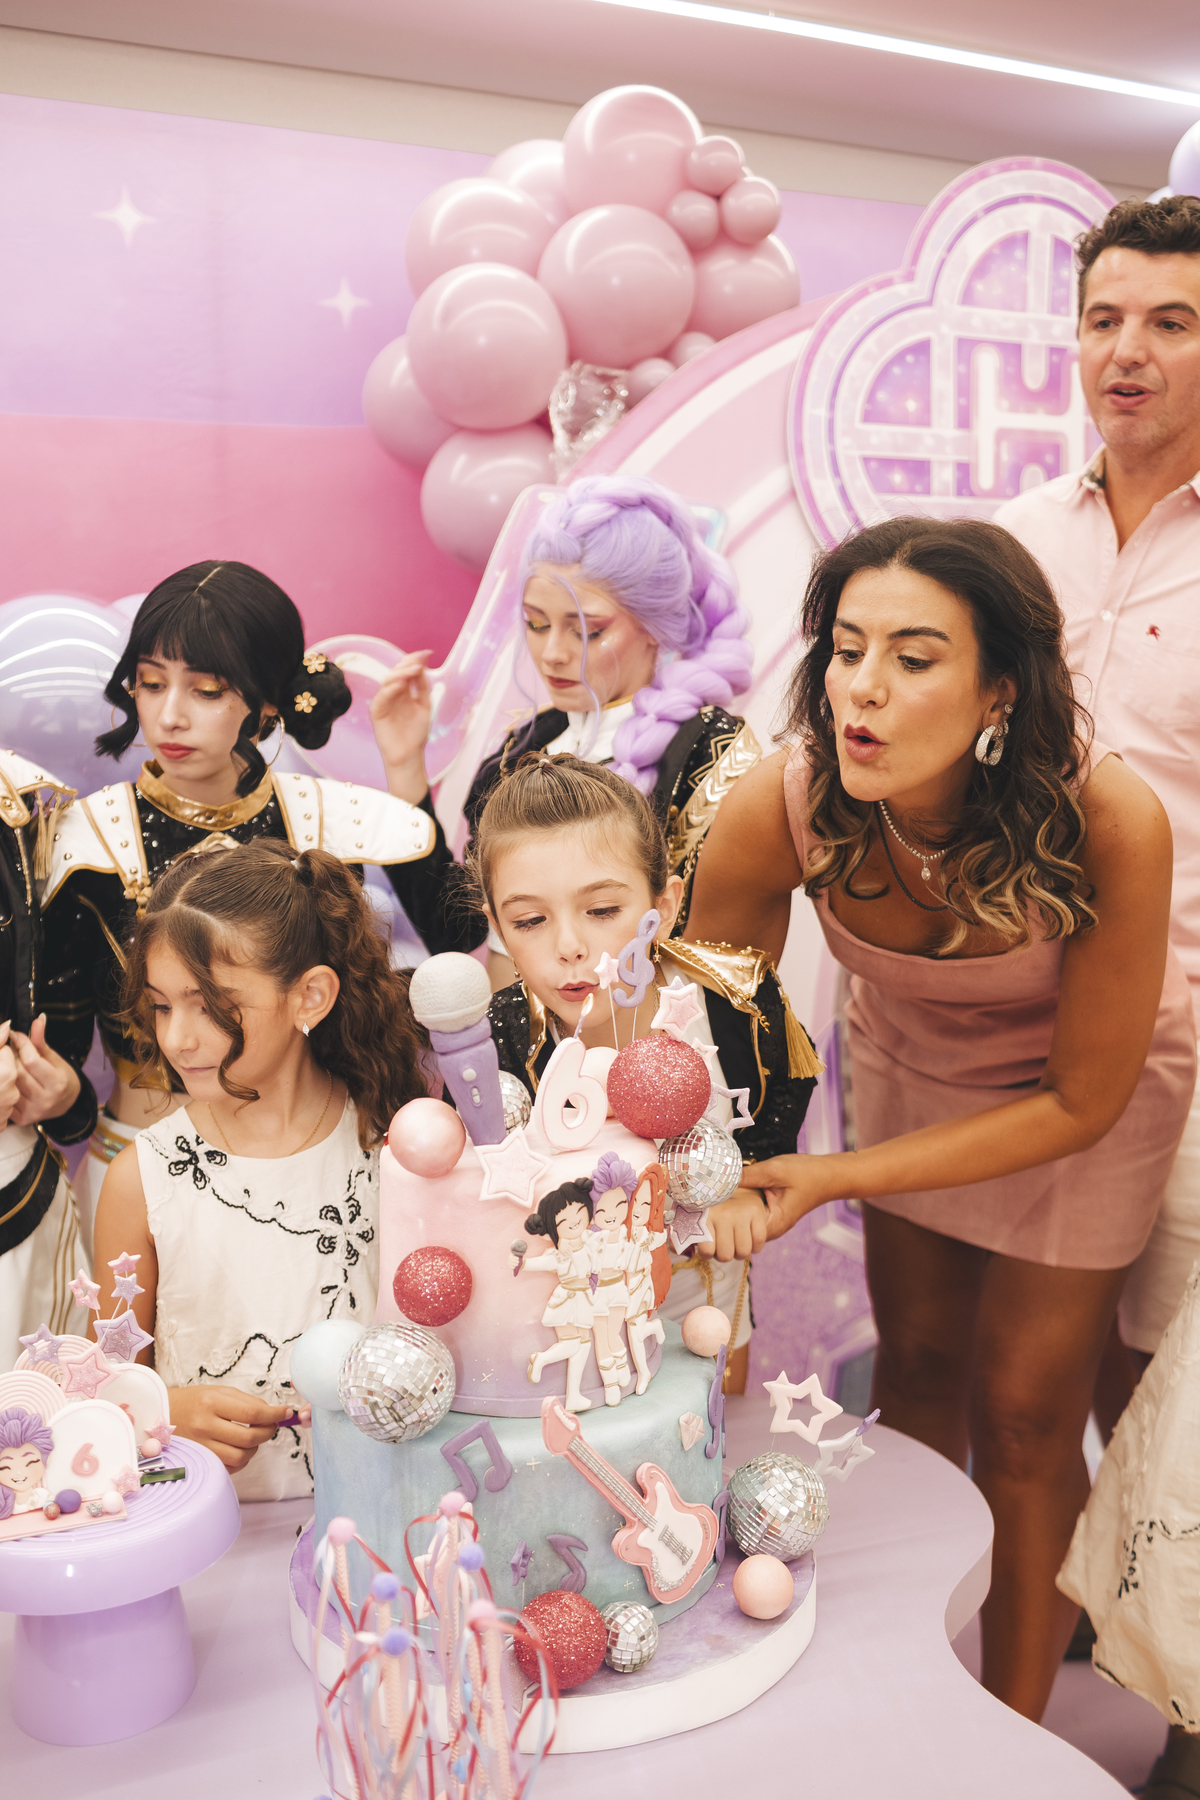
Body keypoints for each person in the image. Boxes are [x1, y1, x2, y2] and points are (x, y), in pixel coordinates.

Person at [683, 515, 1195, 1721]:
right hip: (910, 1066)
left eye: (913, 658)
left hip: (1086, 1106)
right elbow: (707, 1029)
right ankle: (906, 1697)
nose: (862, 688)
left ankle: (1010, 1730)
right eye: (847, 648)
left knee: (1024, 1416)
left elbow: (1081, 1101)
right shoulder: (786, 803)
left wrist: (831, 1175)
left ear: (998, 689)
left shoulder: (1111, 819)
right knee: (914, 1374)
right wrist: (722, 1171)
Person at [38, 560, 435, 1256]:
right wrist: (50, 1092)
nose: (169, 715)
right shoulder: (83, 842)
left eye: (207, 690)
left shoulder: (327, 820)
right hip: (142, 1169)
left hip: (323, 1163)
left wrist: (405, 766)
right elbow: (61, 1060)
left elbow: (463, 936)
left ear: (268, 703)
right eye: (150, 683)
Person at [994, 197, 1200, 1394]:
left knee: (1160, 1381)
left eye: (1172, 323)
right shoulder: (1014, 543)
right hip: (1018, 1026)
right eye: (1103, 319)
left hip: (1189, 1036)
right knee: (1025, 1378)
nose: (1128, 352)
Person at [471, 753, 822, 1395]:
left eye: (603, 910)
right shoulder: (499, 1037)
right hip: (575, 1322)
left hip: (708, 1297)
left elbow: (787, 1089)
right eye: (529, 921)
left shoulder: (736, 1000)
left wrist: (747, 1185)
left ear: (665, 903)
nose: (569, 946)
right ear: (495, 927)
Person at [90, 839, 427, 1500]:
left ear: (310, 997)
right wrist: (162, 1411)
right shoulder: (142, 1180)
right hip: (208, 1529)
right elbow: (103, 1393)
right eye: (162, 1005)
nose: (177, 1038)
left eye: (213, 1007)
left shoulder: (394, 1143)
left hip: (384, 1518)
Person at [372, 475, 758, 983]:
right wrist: (404, 765)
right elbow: (457, 932)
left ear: (655, 626)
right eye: (536, 623)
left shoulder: (711, 753)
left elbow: (723, 962)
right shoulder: (525, 745)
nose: (552, 653)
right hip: (508, 1032)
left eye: (587, 631)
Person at [0, 749, 94, 1368]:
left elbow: (50, 1020)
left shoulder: (18, 801)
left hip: (18, 1195)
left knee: (45, 1415)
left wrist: (61, 1093)